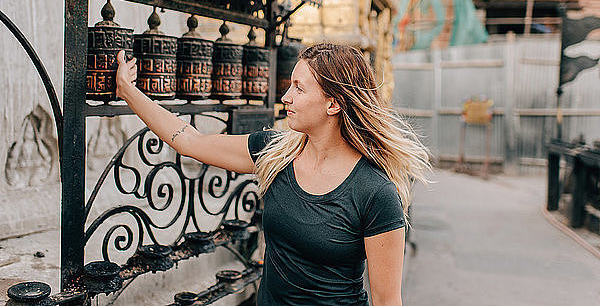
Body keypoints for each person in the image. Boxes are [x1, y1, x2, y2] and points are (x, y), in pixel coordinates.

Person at [115, 43, 430, 306]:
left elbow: (387, 301)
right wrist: (129, 92)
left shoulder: (375, 193)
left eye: (299, 88)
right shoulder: (277, 153)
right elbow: (190, 141)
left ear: (333, 104)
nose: (286, 98)